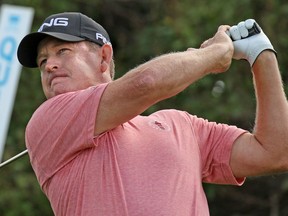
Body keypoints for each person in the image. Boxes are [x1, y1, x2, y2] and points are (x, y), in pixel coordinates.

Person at [17, 12, 288, 216]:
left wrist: (261, 55)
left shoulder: (182, 125)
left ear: (103, 57)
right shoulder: (48, 121)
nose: (50, 65)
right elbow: (145, 83)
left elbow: (275, 152)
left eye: (62, 51)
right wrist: (216, 54)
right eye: (42, 62)